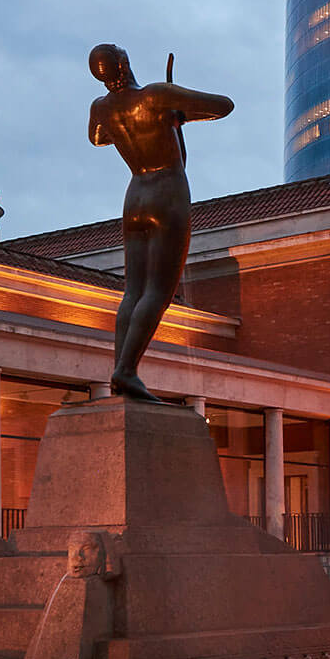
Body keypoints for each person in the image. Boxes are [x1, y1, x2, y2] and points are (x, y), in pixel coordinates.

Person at [87, 44, 233, 401]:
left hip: (135, 195)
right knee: (157, 291)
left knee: (133, 291)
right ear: (124, 63)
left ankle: (121, 368)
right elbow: (223, 106)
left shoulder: (101, 108)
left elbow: (98, 138)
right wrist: (179, 112)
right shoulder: (155, 96)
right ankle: (126, 370)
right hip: (166, 192)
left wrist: (166, 117)